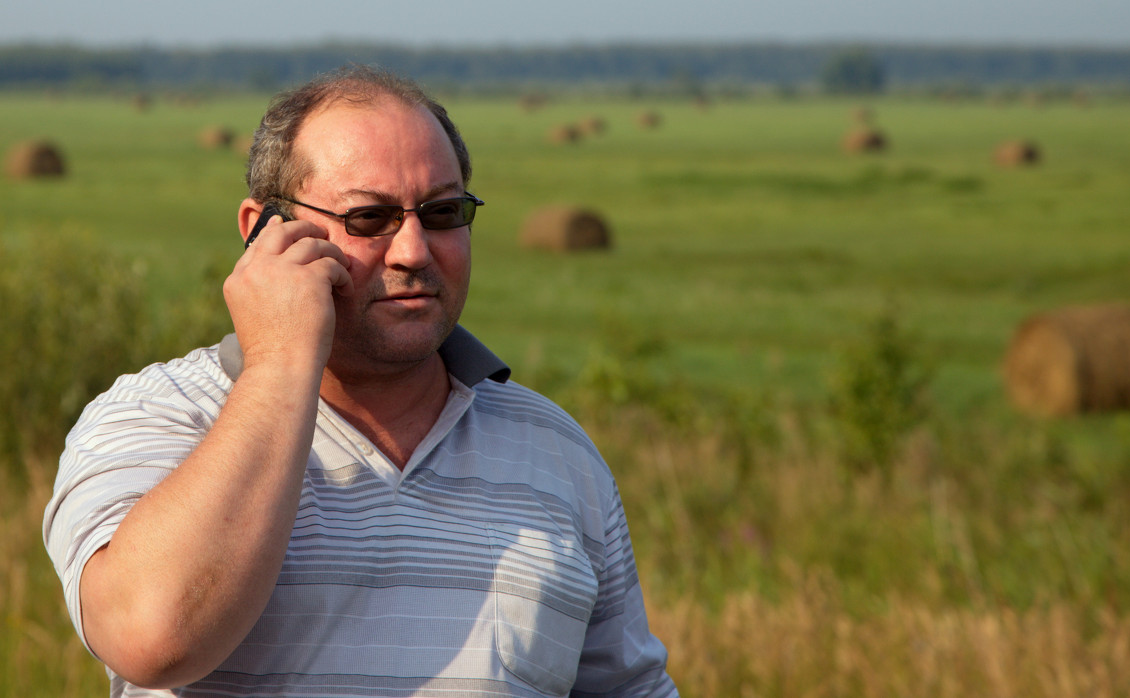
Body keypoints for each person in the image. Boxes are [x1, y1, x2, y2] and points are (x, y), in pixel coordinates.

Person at [43, 65, 677, 698]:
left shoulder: (555, 448)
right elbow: (153, 640)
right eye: (370, 218)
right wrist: (279, 365)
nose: (414, 250)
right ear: (264, 232)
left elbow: (630, 689)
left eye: (443, 212)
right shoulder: (156, 418)